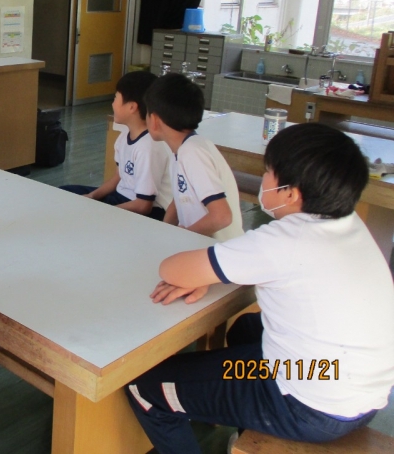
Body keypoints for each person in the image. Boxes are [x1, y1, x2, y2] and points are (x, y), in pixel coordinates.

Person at [125, 123, 394, 453]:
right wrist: (208, 275)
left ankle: (243, 410)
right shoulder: (348, 225)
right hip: (360, 394)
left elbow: (171, 269)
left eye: (268, 172)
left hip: (308, 406)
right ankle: (244, 421)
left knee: (145, 386)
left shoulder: (285, 240)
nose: (263, 179)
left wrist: (199, 275)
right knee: (246, 329)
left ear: (291, 193)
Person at [60, 71, 172, 221]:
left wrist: (104, 211)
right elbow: (118, 177)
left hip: (148, 211)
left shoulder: (148, 147)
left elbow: (144, 205)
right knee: (63, 193)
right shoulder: (125, 136)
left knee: (79, 213)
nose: (112, 104)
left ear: (132, 107)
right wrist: (92, 196)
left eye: (115, 98)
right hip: (120, 197)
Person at [144, 73, 243, 241]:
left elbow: (222, 216)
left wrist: (184, 236)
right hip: (202, 244)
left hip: (220, 249)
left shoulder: (192, 152)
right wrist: (164, 234)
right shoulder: (181, 150)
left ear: (154, 119)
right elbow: (179, 200)